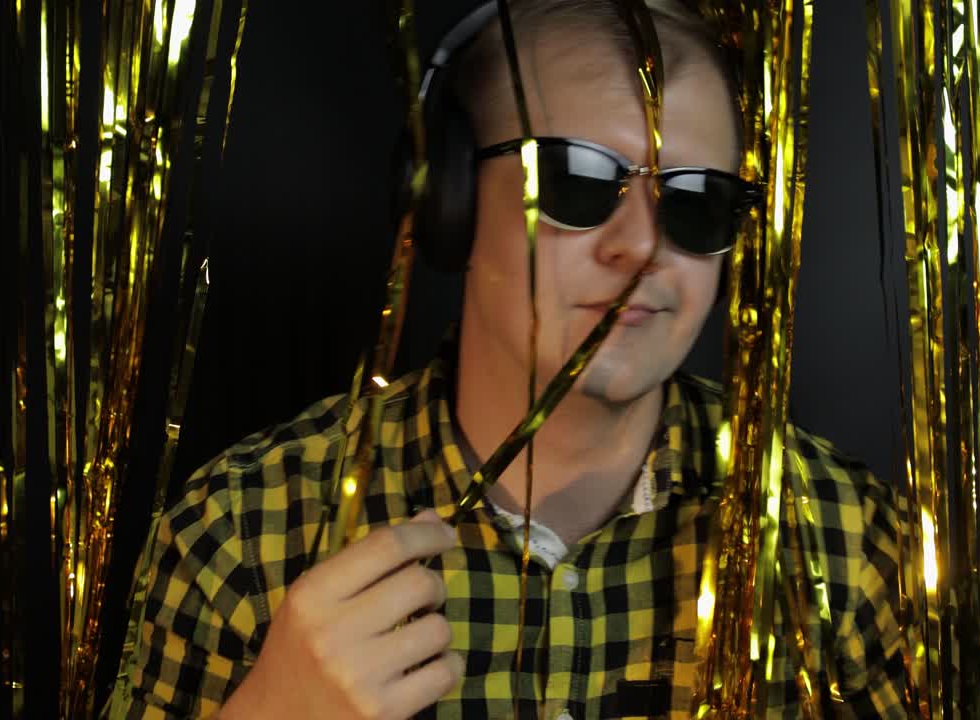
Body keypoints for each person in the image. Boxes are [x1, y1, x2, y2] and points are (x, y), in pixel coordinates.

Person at [116, 1, 908, 718]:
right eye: (576, 179)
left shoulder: (845, 538)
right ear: (445, 201)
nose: (642, 246)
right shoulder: (244, 530)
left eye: (696, 198)